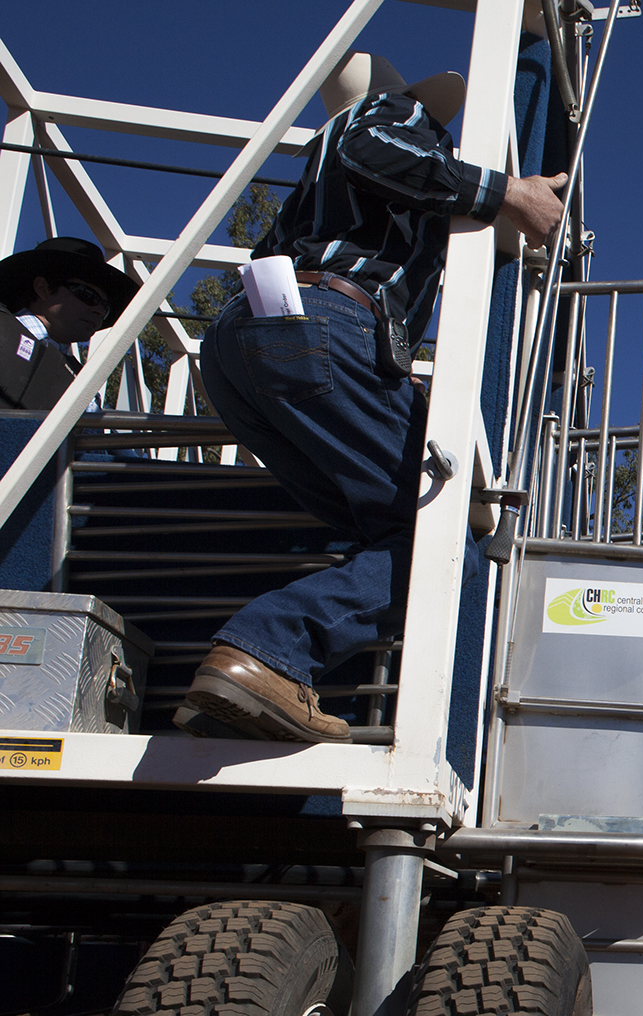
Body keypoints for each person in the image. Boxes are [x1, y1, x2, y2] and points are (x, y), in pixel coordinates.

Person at [175, 51, 568, 743]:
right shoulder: (388, 116)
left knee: (384, 527)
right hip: (322, 326)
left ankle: (241, 688)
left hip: (244, 342)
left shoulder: (315, 183)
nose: (437, 136)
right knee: (439, 544)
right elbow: (373, 148)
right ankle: (264, 652)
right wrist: (506, 192)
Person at [0, 236, 137, 358]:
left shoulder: (79, 380)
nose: (100, 311)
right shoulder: (4, 330)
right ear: (43, 289)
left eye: (106, 308)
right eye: (88, 295)